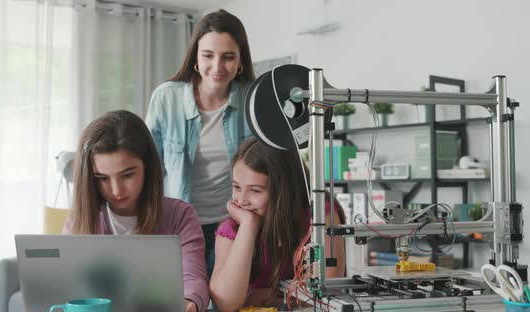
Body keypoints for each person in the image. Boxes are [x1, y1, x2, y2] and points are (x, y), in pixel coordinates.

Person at [145, 9, 255, 277]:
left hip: (231, 227)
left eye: (228, 57)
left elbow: (264, 170)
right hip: (177, 227)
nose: (217, 67)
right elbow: (148, 168)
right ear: (195, 55)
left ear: (240, 59)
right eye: (208, 55)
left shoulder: (251, 100)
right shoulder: (166, 98)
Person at [62, 110, 208, 312]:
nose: (116, 190)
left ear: (147, 166)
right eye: (102, 178)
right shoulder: (80, 220)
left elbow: (193, 277)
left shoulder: (180, 215)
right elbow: (68, 285)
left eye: (127, 174)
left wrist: (189, 301)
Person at [209, 138, 346, 311]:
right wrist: (248, 226)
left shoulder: (319, 212)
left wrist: (258, 295)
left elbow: (326, 290)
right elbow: (226, 304)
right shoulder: (232, 229)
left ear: (284, 191)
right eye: (237, 187)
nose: (241, 201)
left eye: (255, 190)